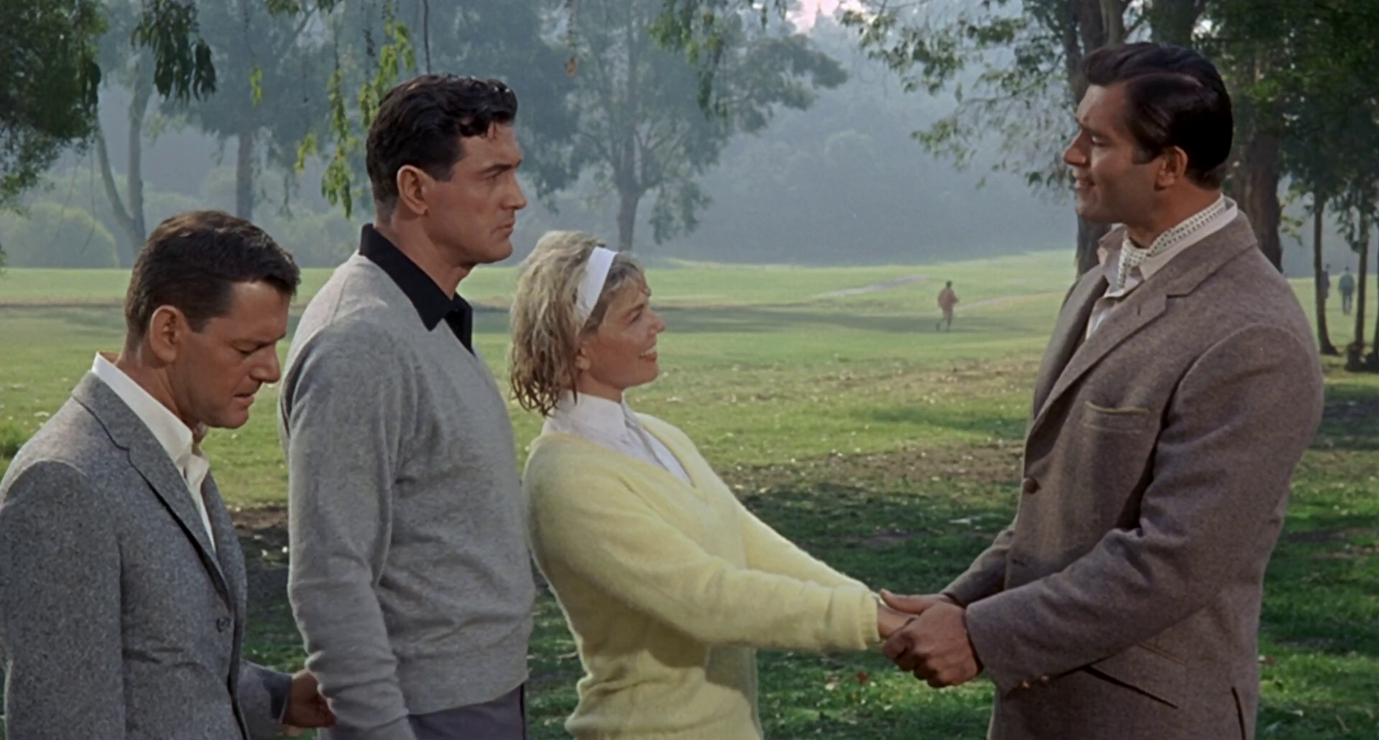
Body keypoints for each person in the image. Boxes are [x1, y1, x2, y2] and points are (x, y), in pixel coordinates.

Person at [880, 43, 1324, 740]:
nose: (1070, 155)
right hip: (1042, 710)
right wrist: (959, 602)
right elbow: (1057, 507)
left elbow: (1172, 560)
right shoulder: (1100, 280)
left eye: (1096, 141)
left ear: (1168, 166)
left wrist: (982, 635)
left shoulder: (1253, 335)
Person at [510, 231, 912, 740]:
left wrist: (880, 609)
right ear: (579, 348)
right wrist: (870, 620)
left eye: (649, 307)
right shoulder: (565, 479)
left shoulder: (660, 436)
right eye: (635, 317)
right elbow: (707, 600)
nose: (658, 324)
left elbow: (751, 545)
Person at [0, 211, 334, 739]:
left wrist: (278, 698)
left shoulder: (171, 446)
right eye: (248, 348)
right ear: (169, 332)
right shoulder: (64, 483)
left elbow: (164, 658)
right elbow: (64, 719)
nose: (271, 370)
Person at [279, 75, 535, 740]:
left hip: (476, 701)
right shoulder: (360, 342)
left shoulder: (422, 318)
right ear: (416, 189)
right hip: (424, 715)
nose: (517, 197)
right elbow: (330, 576)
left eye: (514, 172)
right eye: (493, 175)